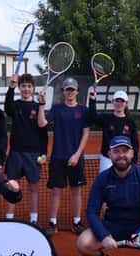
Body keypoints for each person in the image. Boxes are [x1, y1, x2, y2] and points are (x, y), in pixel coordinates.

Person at [76, 136, 140, 256]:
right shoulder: (102, 179)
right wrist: (104, 235)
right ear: (109, 154)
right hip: (111, 227)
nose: (121, 155)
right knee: (83, 243)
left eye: (125, 151)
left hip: (139, 227)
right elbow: (91, 211)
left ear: (132, 153)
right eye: (116, 151)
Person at [38, 77, 89, 236]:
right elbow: (41, 123)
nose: (70, 92)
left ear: (77, 92)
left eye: (72, 89)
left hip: (76, 157)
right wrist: (41, 105)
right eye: (67, 89)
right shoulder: (57, 109)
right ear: (64, 92)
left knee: (76, 191)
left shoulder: (83, 110)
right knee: (56, 192)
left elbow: (86, 134)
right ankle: (52, 223)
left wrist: (77, 154)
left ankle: (76, 222)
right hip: (58, 157)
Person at [4, 74, 48, 227]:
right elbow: (7, 108)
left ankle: (34, 220)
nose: (26, 89)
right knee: (11, 186)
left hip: (33, 154)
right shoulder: (15, 105)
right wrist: (11, 87)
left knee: (33, 188)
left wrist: (44, 153)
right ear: (20, 88)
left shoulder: (38, 107)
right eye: (23, 86)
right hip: (16, 153)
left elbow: (43, 133)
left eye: (29, 86)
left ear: (33, 88)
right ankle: (9, 219)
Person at [88, 89, 139, 172]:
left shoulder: (131, 122)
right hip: (107, 158)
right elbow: (93, 117)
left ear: (126, 104)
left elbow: (135, 144)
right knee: (106, 183)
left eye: (122, 101)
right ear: (113, 102)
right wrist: (92, 100)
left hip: (124, 159)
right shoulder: (106, 118)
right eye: (117, 101)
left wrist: (133, 162)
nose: (119, 104)